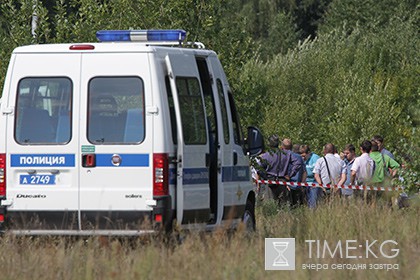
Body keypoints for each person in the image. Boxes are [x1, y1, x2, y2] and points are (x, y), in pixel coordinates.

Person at [258, 135, 302, 207]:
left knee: (270, 205)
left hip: (269, 182)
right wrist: (290, 174)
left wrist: (265, 177)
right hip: (282, 181)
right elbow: (298, 163)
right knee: (283, 205)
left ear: (269, 144)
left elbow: (258, 168)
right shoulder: (286, 154)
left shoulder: (266, 155)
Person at [312, 143, 346, 208]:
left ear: (325, 150)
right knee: (336, 208)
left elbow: (316, 175)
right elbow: (344, 177)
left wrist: (321, 186)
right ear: (334, 151)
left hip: (324, 189)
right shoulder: (341, 162)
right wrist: (338, 187)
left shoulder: (320, 160)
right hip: (337, 190)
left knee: (324, 207)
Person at [282, 139, 307, 206]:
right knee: (297, 206)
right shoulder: (299, 158)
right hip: (297, 186)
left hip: (287, 185)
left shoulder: (282, 156)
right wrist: (302, 184)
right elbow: (305, 172)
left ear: (282, 146)